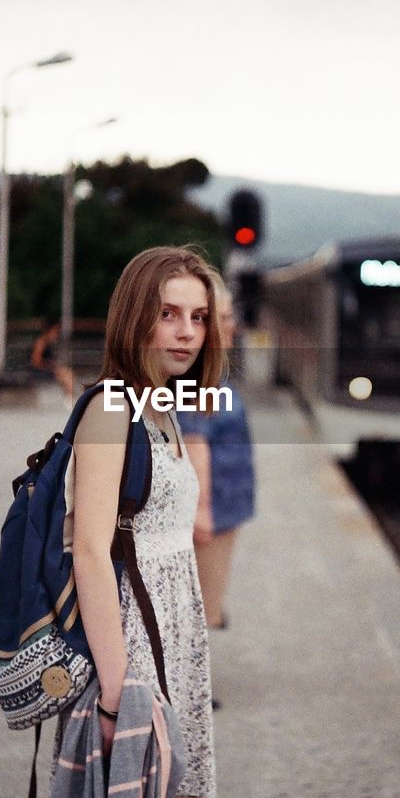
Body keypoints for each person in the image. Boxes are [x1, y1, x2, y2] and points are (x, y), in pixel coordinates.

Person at [67, 245, 222, 798]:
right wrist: (114, 696)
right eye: (168, 314)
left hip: (168, 637)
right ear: (135, 316)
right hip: (129, 645)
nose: (186, 332)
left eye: (198, 317)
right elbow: (89, 550)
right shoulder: (111, 410)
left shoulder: (162, 407)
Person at [181, 272, 256, 634]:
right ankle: (193, 692)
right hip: (213, 516)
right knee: (201, 613)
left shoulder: (212, 375)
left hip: (225, 511)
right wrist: (202, 513)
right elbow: (195, 446)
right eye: (223, 318)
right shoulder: (201, 380)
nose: (232, 326)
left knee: (205, 605)